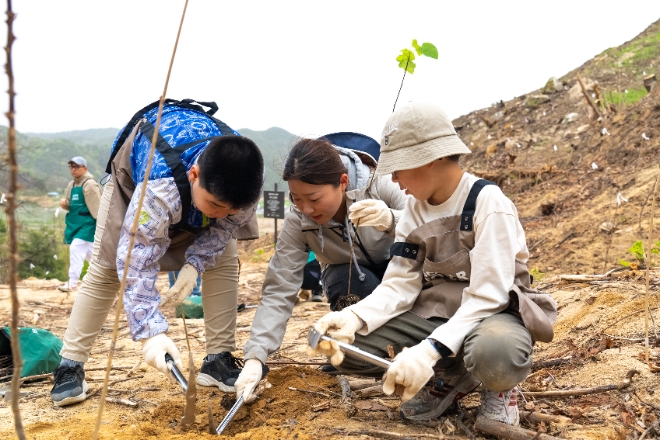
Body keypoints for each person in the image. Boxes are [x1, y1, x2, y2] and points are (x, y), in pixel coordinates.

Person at [306, 102, 558, 426]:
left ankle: (497, 387)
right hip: (436, 315)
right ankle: (451, 373)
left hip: (492, 314)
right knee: (346, 349)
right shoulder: (414, 208)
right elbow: (400, 282)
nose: (394, 179)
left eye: (399, 167)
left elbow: (489, 295)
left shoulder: (487, 203)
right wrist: (354, 317)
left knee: (494, 354)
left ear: (433, 157)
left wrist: (427, 351)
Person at [50, 101, 264, 407]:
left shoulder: (245, 180)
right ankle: (70, 365)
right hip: (132, 184)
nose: (223, 215)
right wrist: (151, 333)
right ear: (195, 174)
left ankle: (219, 359)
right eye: (216, 206)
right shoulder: (159, 189)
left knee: (225, 259)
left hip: (188, 188)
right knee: (106, 268)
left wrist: (195, 266)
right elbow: (135, 260)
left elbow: (224, 228)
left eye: (233, 209)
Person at [234, 136, 409, 403]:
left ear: (342, 182)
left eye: (314, 198)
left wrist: (393, 219)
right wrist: (255, 357)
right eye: (296, 198)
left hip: (401, 275)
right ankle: (363, 353)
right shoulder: (298, 219)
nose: (306, 208)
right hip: (353, 285)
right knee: (346, 279)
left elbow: (433, 222)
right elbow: (280, 287)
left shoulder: (380, 184)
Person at [58, 156, 102, 292]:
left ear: (85, 168)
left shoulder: (89, 184)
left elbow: (98, 208)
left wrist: (102, 227)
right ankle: (104, 279)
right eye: (71, 167)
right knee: (94, 255)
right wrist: (65, 204)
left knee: (76, 248)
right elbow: (70, 204)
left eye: (76, 167)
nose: (73, 169)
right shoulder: (72, 184)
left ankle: (72, 283)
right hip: (75, 224)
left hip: (88, 224)